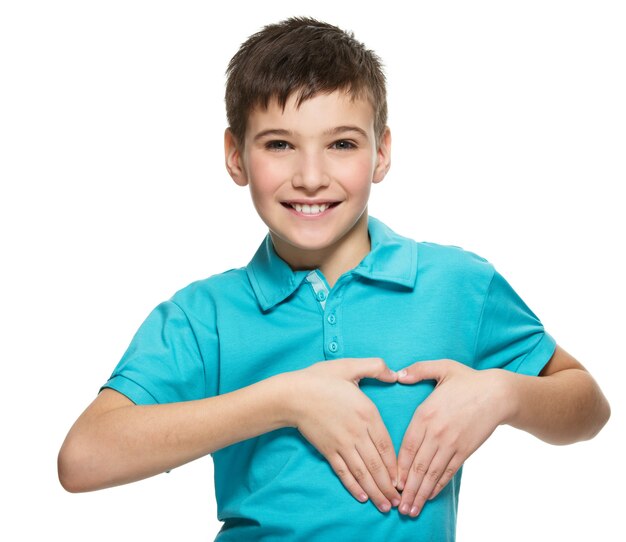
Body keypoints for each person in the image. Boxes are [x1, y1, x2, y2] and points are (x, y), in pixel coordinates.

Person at [57, 16, 610, 541]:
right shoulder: (205, 315)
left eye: (342, 144)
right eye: (279, 144)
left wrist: (503, 394)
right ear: (235, 156)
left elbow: (588, 406)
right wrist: (286, 400)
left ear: (381, 153)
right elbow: (84, 458)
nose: (311, 177)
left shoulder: (458, 283)